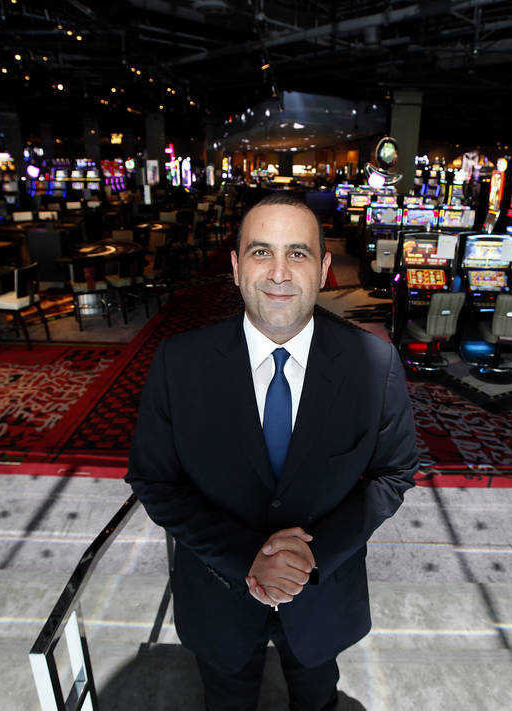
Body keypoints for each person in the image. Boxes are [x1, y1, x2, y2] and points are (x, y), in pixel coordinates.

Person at [126, 192, 420, 710]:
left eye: (298, 254)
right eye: (262, 253)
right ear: (237, 267)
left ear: (325, 268)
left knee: (316, 697)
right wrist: (247, 558)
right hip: (219, 597)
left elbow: (393, 473)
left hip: (322, 595)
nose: (279, 273)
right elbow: (155, 480)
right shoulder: (179, 362)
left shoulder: (375, 363)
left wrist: (312, 557)